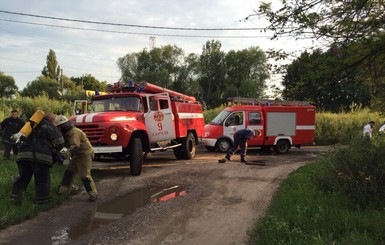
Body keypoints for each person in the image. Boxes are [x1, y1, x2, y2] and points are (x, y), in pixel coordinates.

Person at [10, 111, 65, 204]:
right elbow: (60, 142)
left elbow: (18, 139)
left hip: (22, 156)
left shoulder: (28, 126)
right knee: (42, 179)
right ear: (52, 119)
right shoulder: (49, 126)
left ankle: (15, 198)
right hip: (40, 158)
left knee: (23, 177)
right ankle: (42, 201)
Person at [54, 115, 98, 202]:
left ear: (62, 126)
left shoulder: (74, 133)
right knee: (69, 173)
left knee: (84, 175)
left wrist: (64, 155)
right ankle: (63, 191)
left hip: (84, 155)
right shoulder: (67, 133)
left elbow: (74, 147)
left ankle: (93, 194)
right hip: (76, 156)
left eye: (58, 128)